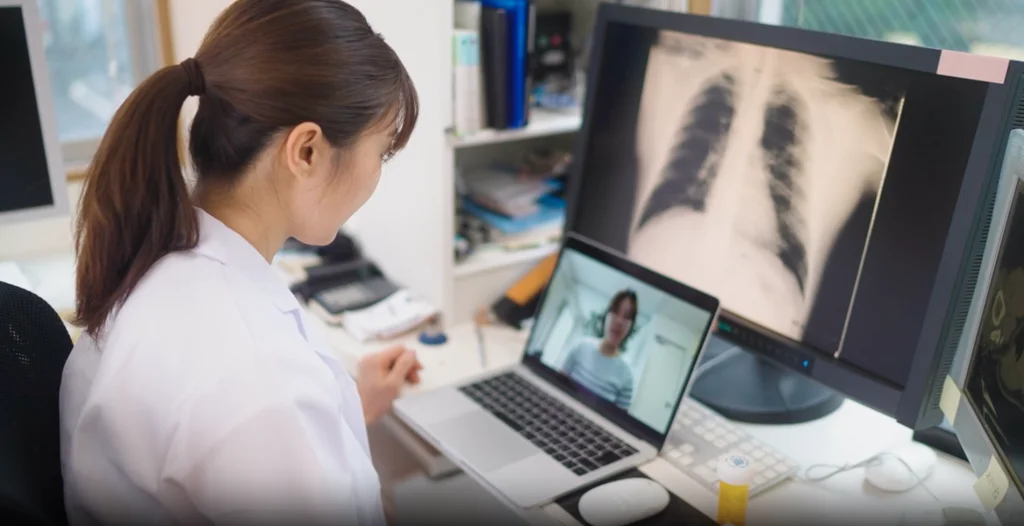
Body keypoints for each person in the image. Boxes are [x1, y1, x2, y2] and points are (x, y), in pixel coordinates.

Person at [60, 1, 420, 524]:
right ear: (307, 152)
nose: (376, 174)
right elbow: (249, 412)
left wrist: (344, 412)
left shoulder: (155, 264)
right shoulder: (258, 376)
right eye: (382, 152)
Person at [561, 290, 639, 409]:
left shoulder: (626, 377)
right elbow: (557, 385)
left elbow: (618, 421)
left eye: (627, 316)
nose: (619, 321)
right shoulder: (580, 346)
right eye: (615, 312)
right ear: (606, 316)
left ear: (630, 327)